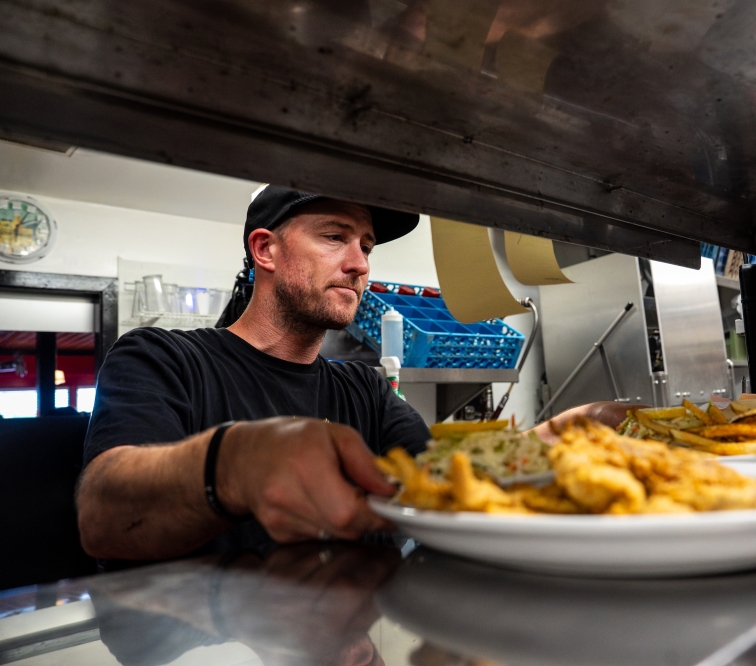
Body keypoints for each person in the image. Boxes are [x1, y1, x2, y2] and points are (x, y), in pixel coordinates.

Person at [77, 186, 630, 563]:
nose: (361, 263)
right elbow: (102, 513)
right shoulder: (161, 358)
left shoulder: (361, 387)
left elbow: (442, 477)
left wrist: (555, 439)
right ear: (265, 249)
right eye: (334, 237)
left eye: (366, 245)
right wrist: (233, 463)